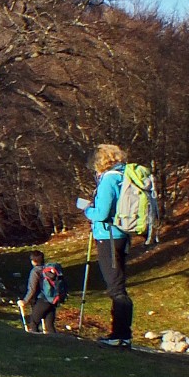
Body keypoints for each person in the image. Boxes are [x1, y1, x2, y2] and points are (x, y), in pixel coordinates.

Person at [81, 143, 133, 348]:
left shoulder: (108, 180)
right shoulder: (123, 177)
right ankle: (121, 334)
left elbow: (101, 213)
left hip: (108, 236)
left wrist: (87, 211)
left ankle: (120, 335)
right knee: (118, 284)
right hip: (122, 235)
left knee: (116, 288)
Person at [18, 250, 58, 333]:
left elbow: (32, 289)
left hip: (42, 300)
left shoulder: (35, 271)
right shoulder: (48, 270)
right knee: (49, 325)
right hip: (52, 300)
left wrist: (25, 301)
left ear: (33, 261)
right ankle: (55, 343)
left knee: (33, 323)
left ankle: (35, 343)